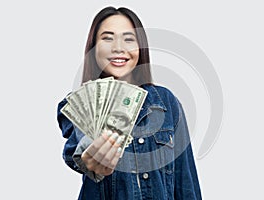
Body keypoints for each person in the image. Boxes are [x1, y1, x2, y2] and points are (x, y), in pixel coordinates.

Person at [57, 6, 202, 200]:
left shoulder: (166, 102)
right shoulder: (77, 103)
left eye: (128, 39)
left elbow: (186, 180)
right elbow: (75, 148)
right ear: (94, 48)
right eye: (107, 38)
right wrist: (89, 156)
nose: (118, 48)